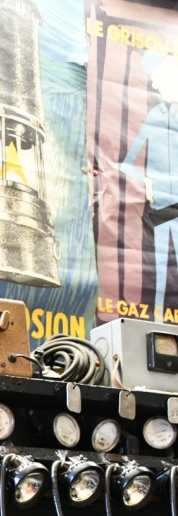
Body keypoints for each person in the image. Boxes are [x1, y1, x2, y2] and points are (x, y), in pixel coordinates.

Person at [120, 52, 178, 318]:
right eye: (154, 79)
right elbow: (127, 163)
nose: (155, 84)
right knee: (160, 272)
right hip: (161, 210)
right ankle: (158, 322)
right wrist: (146, 183)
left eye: (159, 77)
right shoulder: (155, 116)